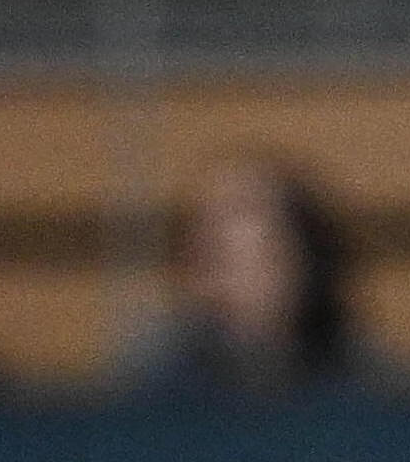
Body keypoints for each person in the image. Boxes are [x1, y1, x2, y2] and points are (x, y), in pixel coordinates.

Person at [116, 149, 375, 396]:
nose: (209, 230)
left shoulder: (364, 389)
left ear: (300, 251)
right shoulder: (151, 387)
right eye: (200, 218)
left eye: (239, 209)